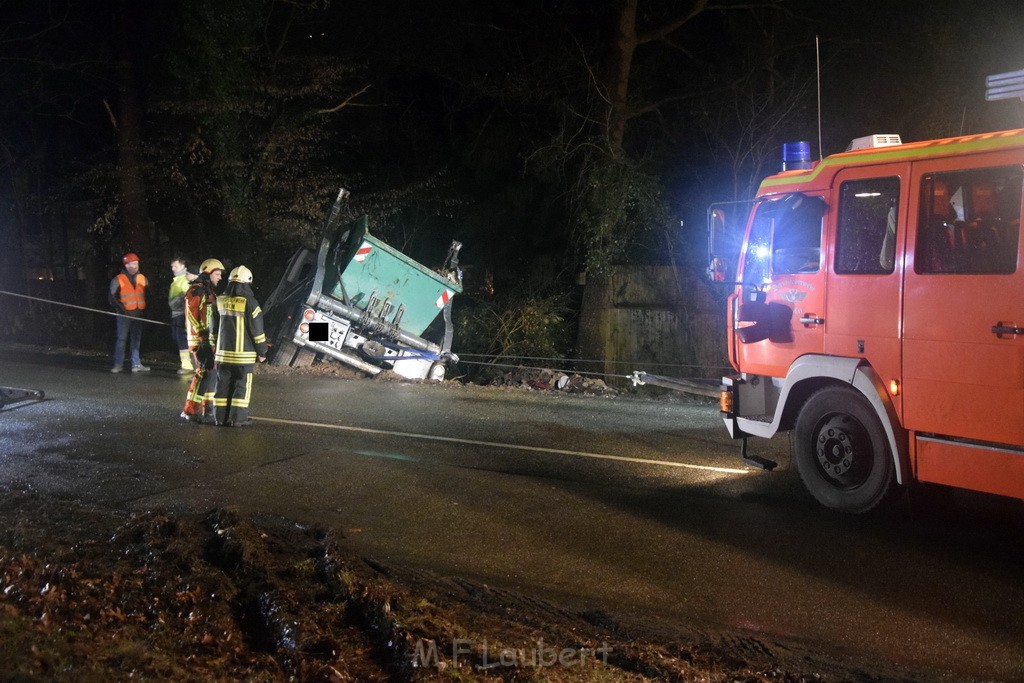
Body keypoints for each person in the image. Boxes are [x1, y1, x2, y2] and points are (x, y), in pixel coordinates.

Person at [213, 265, 268, 427]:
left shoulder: (219, 300)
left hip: (222, 355)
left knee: (222, 387)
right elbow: (257, 332)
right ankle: (238, 419)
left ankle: (220, 418)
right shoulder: (250, 303)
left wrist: (212, 347)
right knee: (242, 386)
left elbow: (213, 328)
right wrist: (262, 351)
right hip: (244, 357)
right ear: (247, 283)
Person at [181, 259, 224, 423]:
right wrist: (203, 337)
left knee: (211, 374)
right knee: (202, 374)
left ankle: (208, 409)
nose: (220, 278)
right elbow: (193, 315)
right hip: (200, 342)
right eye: (217, 274)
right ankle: (190, 410)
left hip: (210, 341)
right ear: (208, 272)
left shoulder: (208, 291)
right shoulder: (197, 290)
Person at [109, 252, 150, 373]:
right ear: (126, 265)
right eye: (132, 263)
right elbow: (112, 297)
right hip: (124, 315)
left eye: (136, 263)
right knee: (122, 339)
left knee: (136, 340)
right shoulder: (118, 279)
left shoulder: (142, 278)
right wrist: (122, 310)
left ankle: (136, 364)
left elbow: (148, 295)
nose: (135, 266)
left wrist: (146, 311)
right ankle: (118, 364)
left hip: (138, 314)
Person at [168, 257, 197, 375]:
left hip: (181, 314)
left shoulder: (184, 279)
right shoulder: (177, 279)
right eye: (172, 266)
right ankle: (188, 363)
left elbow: (186, 298)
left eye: (175, 266)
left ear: (182, 266)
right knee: (177, 337)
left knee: (182, 339)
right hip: (175, 314)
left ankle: (187, 365)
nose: (173, 268)